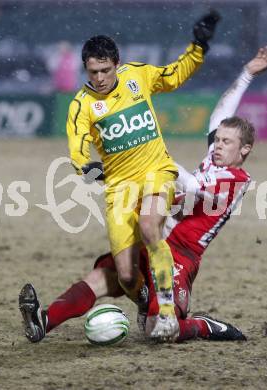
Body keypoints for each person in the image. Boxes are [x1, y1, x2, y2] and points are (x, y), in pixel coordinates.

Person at [19, 46, 267, 343]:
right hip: (152, 237)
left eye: (226, 142)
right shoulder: (214, 159)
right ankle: (44, 319)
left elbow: (192, 193)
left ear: (244, 149)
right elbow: (221, 113)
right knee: (108, 277)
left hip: (181, 256)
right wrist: (246, 75)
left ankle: (205, 326)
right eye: (216, 140)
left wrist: (151, 162)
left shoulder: (236, 181)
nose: (217, 145)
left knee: (160, 331)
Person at [65, 11, 221, 340]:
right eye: (93, 72)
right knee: (125, 276)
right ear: (86, 70)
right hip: (119, 188)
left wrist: (199, 46)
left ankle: (166, 312)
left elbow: (173, 76)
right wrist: (86, 166)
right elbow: (78, 147)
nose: (100, 78)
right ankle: (144, 301)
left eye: (106, 70)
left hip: (156, 171)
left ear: (117, 64)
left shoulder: (138, 76)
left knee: (150, 227)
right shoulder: (82, 105)